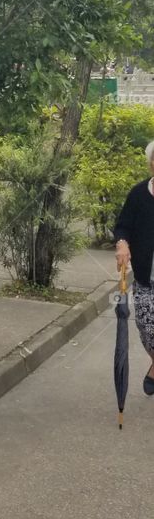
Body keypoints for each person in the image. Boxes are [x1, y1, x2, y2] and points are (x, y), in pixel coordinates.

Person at [114, 140, 154, 394]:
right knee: (145, 326)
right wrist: (122, 243)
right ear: (152, 163)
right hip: (145, 275)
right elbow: (123, 225)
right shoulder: (139, 194)